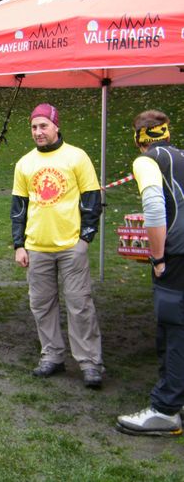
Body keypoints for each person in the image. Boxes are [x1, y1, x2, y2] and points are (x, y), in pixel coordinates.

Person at [11, 103, 104, 388]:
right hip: (37, 246)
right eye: (34, 127)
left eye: (43, 126)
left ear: (56, 126)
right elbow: (18, 208)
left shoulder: (77, 157)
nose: (38, 132)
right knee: (41, 304)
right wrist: (19, 245)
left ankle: (89, 362)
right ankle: (52, 355)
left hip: (70, 245)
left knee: (79, 304)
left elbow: (92, 199)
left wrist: (85, 238)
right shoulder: (24, 163)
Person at [116, 110, 184, 437]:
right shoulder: (180, 157)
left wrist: (157, 257)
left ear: (139, 137)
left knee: (173, 328)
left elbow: (155, 209)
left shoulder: (147, 162)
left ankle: (165, 410)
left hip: (175, 257)